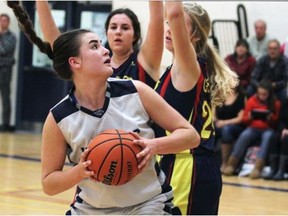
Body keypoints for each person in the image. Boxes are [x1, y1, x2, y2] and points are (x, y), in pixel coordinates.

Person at [7, 2, 201, 214]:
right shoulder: (59, 117)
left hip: (148, 203)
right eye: (94, 46)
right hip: (91, 209)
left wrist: (153, 145)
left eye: (101, 44)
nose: (105, 49)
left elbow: (191, 136)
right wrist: (79, 172)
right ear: (75, 62)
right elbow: (48, 184)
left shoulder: (136, 90)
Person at [152, 2, 238, 215]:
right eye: (166, 24)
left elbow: (173, 11)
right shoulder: (179, 68)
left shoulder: (188, 66)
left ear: (195, 36)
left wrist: (173, 14)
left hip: (188, 167)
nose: (169, 28)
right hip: (187, 164)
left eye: (175, 24)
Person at [36, 1, 164, 88]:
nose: (118, 32)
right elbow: (55, 41)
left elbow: (157, 20)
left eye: (125, 28)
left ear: (135, 35)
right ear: (106, 32)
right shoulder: (95, 62)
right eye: (113, 27)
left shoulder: (145, 62)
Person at [222, 80, 281, 179]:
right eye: (260, 93)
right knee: (245, 135)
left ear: (269, 93)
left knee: (267, 137)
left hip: (268, 128)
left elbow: (277, 122)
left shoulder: (275, 103)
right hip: (253, 127)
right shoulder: (251, 100)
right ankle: (231, 164)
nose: (262, 96)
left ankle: (257, 168)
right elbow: (245, 120)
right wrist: (249, 117)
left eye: (264, 94)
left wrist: (271, 118)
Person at [213, 85, 246, 172]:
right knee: (209, 128)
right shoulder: (220, 95)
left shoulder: (241, 97)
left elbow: (240, 118)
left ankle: (225, 162)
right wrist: (215, 120)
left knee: (226, 130)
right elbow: (213, 113)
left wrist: (224, 123)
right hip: (219, 123)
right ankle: (208, 161)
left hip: (235, 126)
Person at [264, 96, 288, 180]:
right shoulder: (285, 101)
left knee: (286, 140)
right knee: (273, 138)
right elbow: (281, 120)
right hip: (285, 131)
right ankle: (273, 169)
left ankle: (282, 170)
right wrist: (283, 129)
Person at [0, 13, 16, 132]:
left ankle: (6, 124)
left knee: (5, 98)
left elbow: (6, 50)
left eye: (5, 21)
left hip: (5, 72)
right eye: (1, 21)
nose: (2, 23)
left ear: (8, 22)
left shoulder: (12, 36)